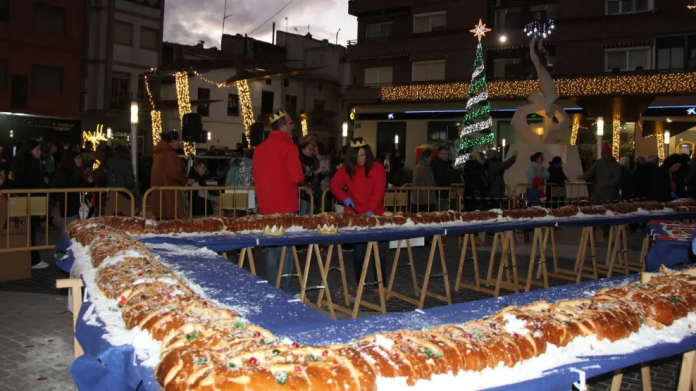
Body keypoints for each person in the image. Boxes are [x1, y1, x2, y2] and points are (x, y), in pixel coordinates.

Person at [253, 110, 304, 294]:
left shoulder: (259, 149)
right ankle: (285, 289)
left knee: (270, 250)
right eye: (290, 124)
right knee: (286, 250)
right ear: (283, 127)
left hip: (266, 205)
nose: (292, 127)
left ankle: (271, 287)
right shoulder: (289, 146)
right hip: (286, 205)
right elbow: (297, 177)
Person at [330, 137, 388, 286]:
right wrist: (345, 198)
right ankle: (360, 282)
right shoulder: (346, 169)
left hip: (376, 214)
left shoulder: (377, 167)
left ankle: (379, 283)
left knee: (380, 252)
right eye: (357, 157)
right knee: (359, 253)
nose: (360, 159)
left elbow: (378, 191)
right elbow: (334, 186)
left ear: (367, 154)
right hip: (356, 215)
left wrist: (371, 209)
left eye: (363, 155)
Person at [10, 140, 49, 269]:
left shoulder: (19, 164)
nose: (40, 151)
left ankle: (25, 258)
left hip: (20, 201)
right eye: (37, 149)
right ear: (30, 150)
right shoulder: (31, 166)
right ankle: (32, 259)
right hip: (30, 202)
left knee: (23, 231)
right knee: (29, 230)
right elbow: (37, 185)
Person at [151, 131, 192, 219]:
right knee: (170, 223)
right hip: (169, 194)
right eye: (179, 141)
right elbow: (173, 174)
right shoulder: (170, 154)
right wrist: (185, 180)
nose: (180, 143)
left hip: (160, 193)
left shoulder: (159, 154)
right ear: (172, 141)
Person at [55, 151, 92, 233]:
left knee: (69, 228)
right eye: (78, 158)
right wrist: (88, 182)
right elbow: (80, 185)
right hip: (72, 205)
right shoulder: (72, 174)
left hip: (68, 205)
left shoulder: (65, 172)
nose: (80, 160)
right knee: (70, 229)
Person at [106, 145, 135, 216]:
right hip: (124, 194)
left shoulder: (110, 163)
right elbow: (130, 182)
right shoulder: (127, 164)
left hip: (111, 194)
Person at [299, 140, 323, 215]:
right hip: (304, 190)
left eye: (313, 149)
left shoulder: (313, 160)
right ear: (303, 149)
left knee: (310, 212)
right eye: (310, 149)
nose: (312, 151)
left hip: (313, 189)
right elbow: (304, 175)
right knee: (304, 211)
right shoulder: (300, 160)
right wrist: (316, 172)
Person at [432, 147, 452, 211]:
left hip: (442, 191)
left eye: (447, 154)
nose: (447, 156)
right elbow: (441, 179)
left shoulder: (441, 164)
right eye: (445, 154)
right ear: (440, 154)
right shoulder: (440, 165)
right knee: (441, 211)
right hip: (442, 191)